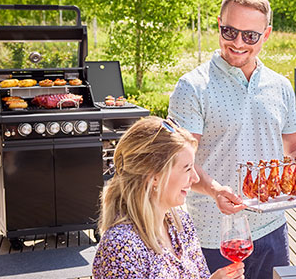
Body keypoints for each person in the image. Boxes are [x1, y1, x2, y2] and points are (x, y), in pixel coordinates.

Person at [168, 0, 296, 277]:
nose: (238, 42)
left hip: (271, 228)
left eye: (250, 35)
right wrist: (215, 191)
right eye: (230, 32)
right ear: (219, 25)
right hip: (214, 233)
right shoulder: (192, 87)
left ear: (267, 34)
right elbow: (180, 162)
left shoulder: (280, 86)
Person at [92, 117, 244, 279]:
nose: (195, 178)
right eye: (187, 169)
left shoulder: (180, 224)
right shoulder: (122, 246)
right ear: (154, 177)